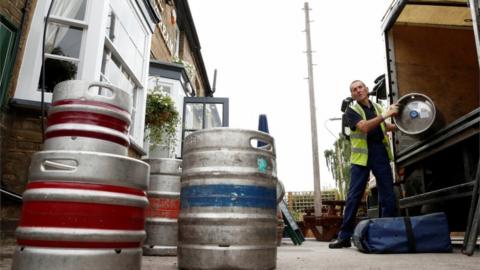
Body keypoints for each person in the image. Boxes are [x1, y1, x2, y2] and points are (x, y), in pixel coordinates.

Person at [329, 79, 399, 249]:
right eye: (354, 89)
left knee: (388, 193)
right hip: (361, 158)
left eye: (360, 87)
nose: (358, 90)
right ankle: (344, 236)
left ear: (366, 89)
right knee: (354, 196)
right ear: (352, 94)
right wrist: (385, 115)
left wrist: (403, 123)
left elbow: (385, 126)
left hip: (379, 153)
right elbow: (365, 127)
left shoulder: (377, 107)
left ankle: (388, 234)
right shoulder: (351, 111)